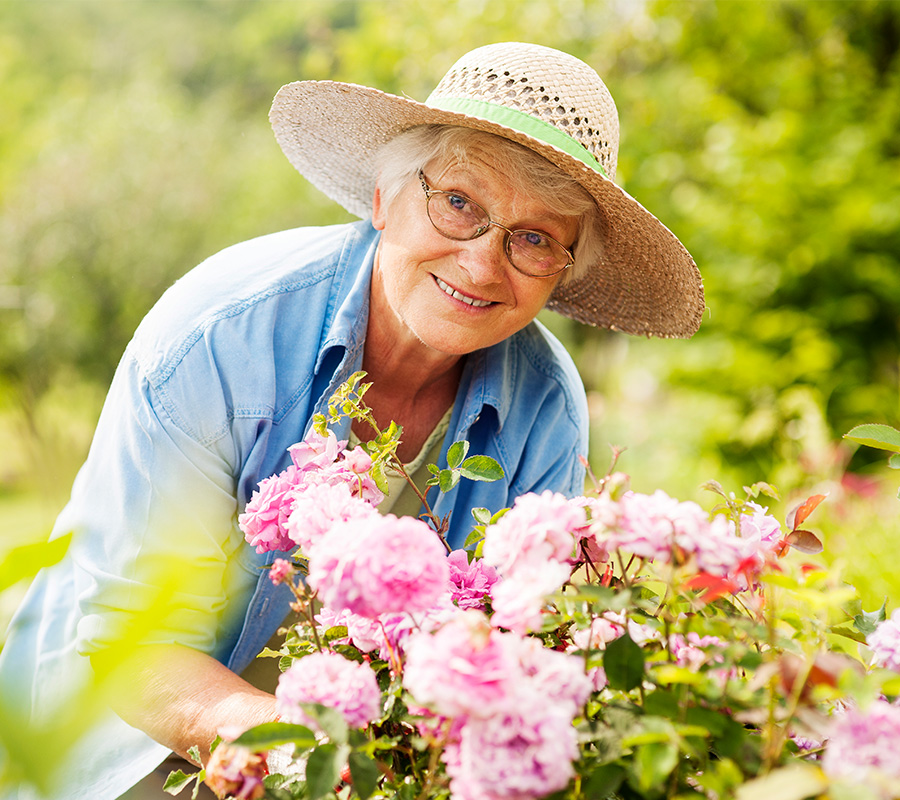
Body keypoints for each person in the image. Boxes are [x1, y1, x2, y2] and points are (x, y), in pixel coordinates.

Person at [0, 42, 703, 800]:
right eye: (460, 203)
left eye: (534, 239)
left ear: (563, 269)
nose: (481, 264)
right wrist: (301, 754)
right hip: (128, 747)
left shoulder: (547, 406)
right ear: (383, 198)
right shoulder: (221, 338)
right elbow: (130, 646)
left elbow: (506, 649)